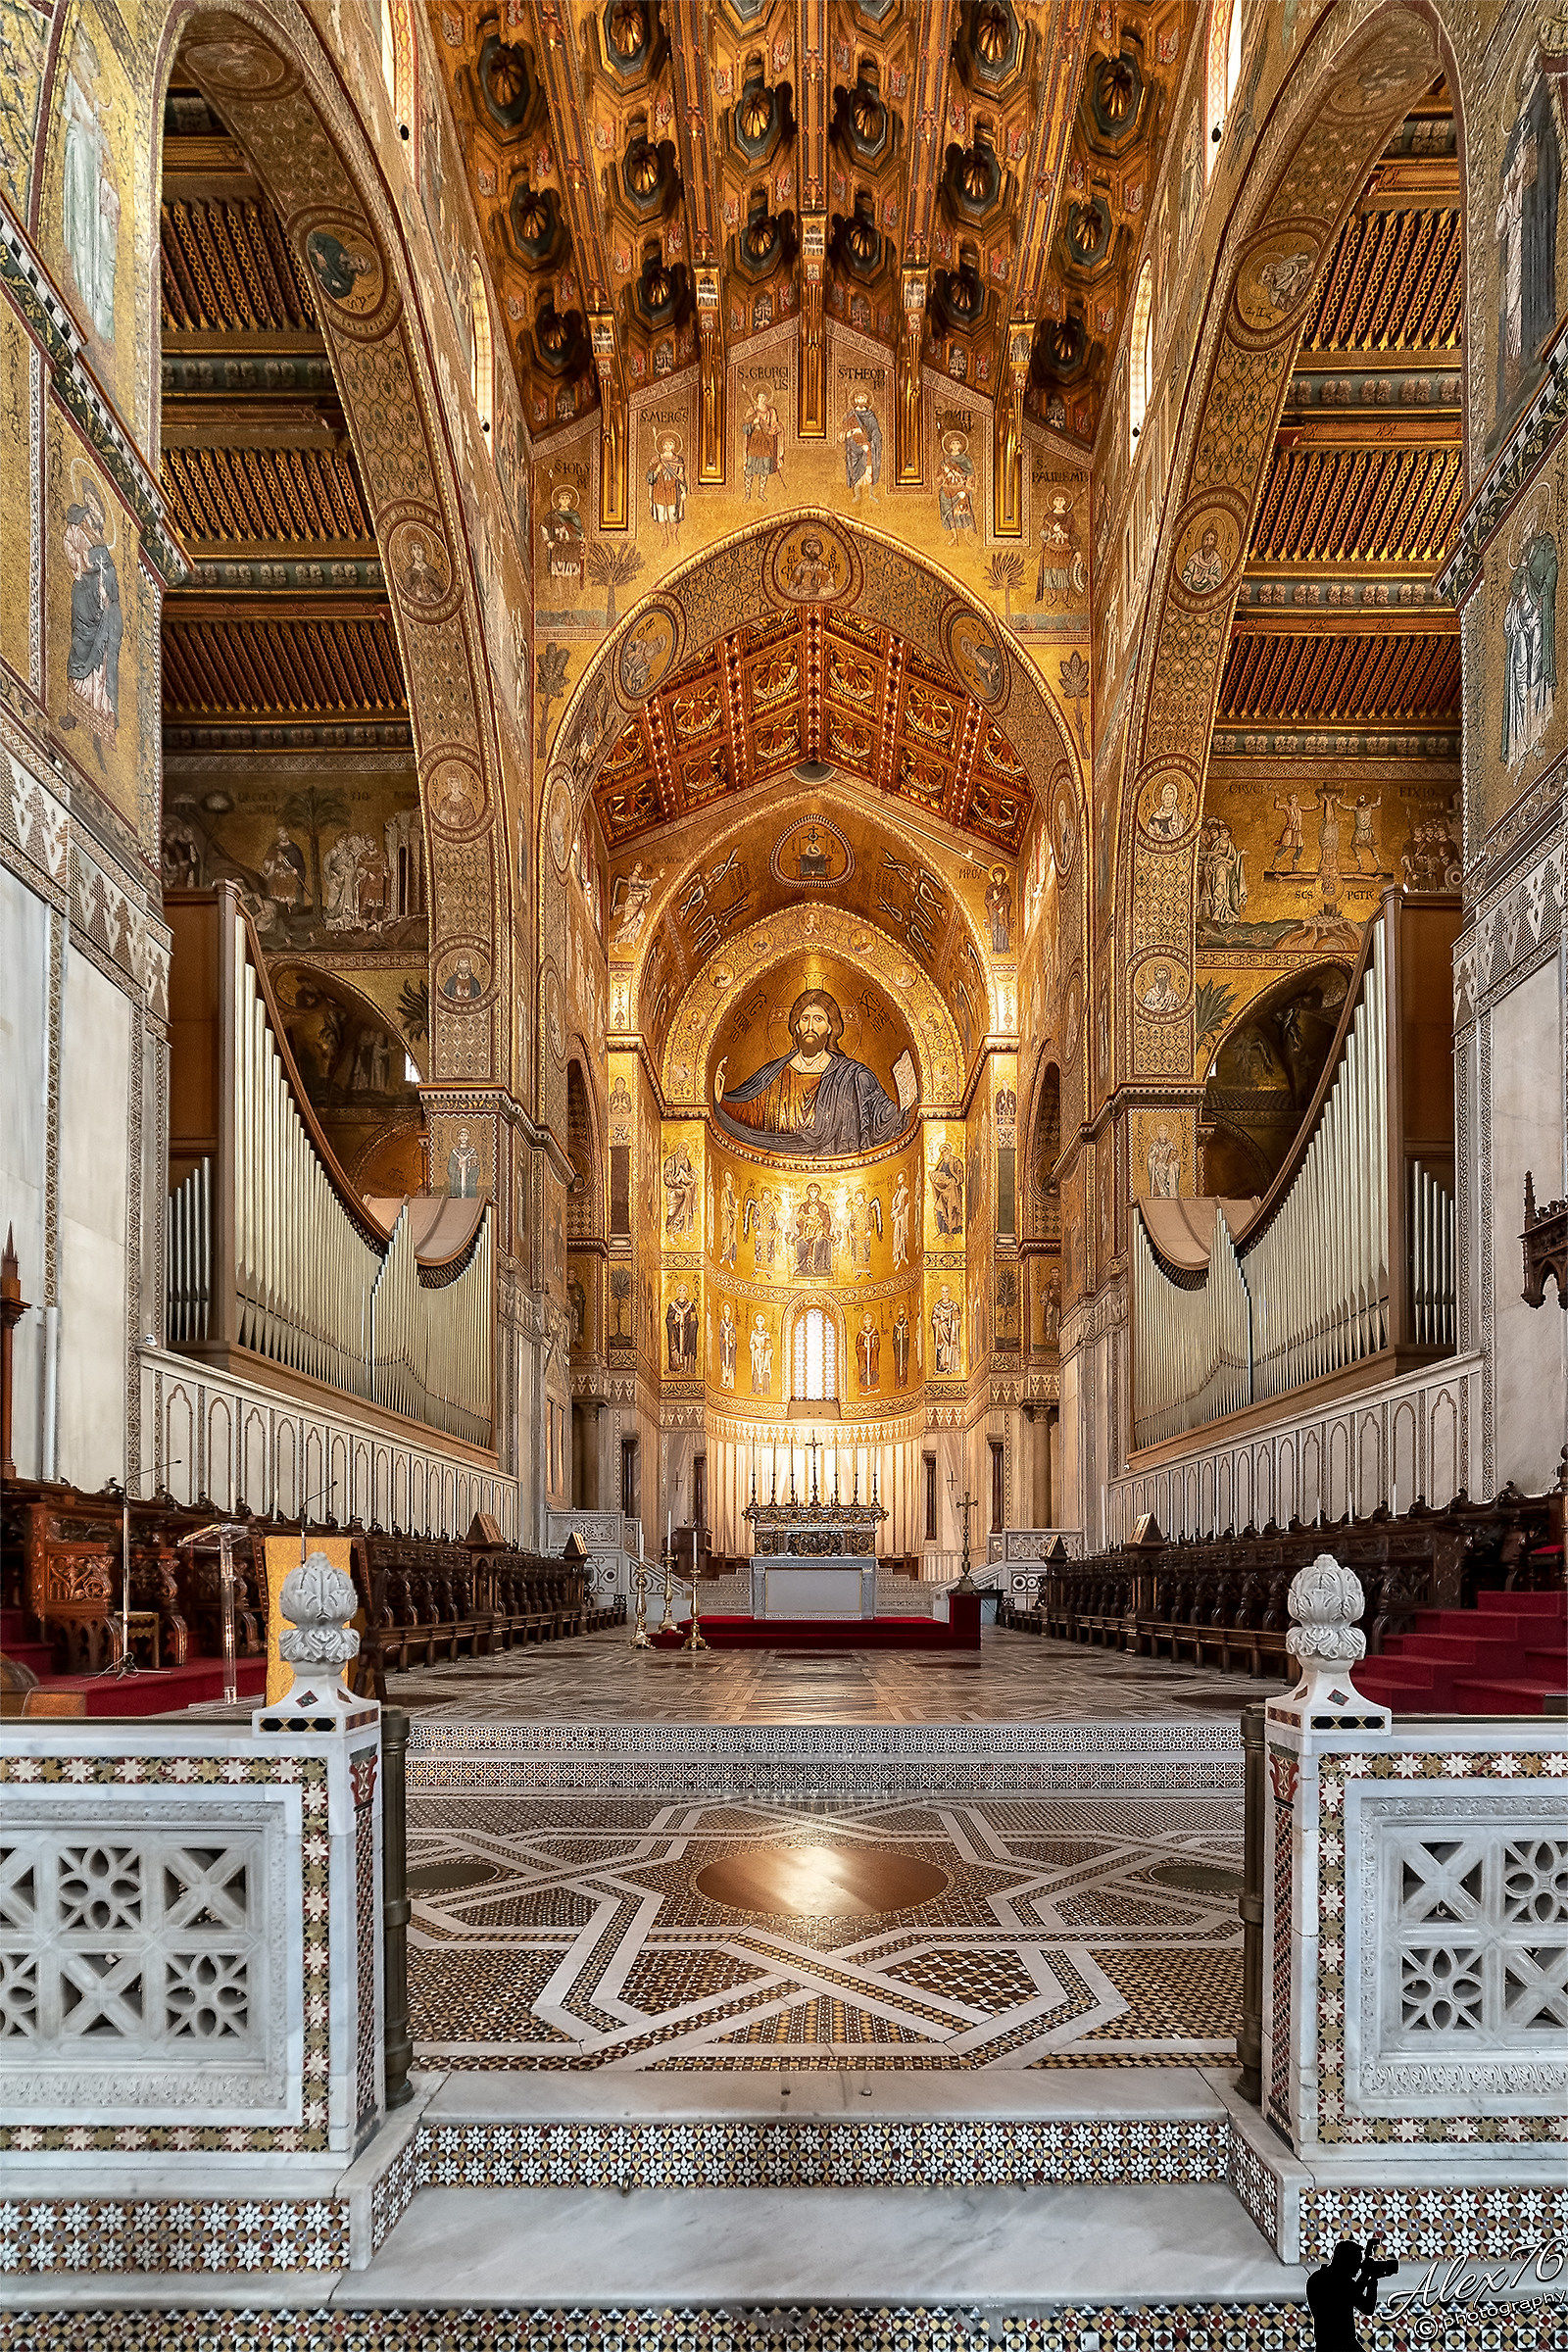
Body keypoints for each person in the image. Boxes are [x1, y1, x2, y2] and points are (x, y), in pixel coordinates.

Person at [1306, 2239, 1398, 2352]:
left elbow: (1350, 2296)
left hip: (1325, 2344)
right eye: (1357, 2262)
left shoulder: (1318, 2278)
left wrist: (1365, 2275)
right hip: (1343, 2344)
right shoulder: (1341, 2282)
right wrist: (1373, 2281)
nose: (1359, 2267)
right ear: (1346, 2261)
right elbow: (1367, 2308)